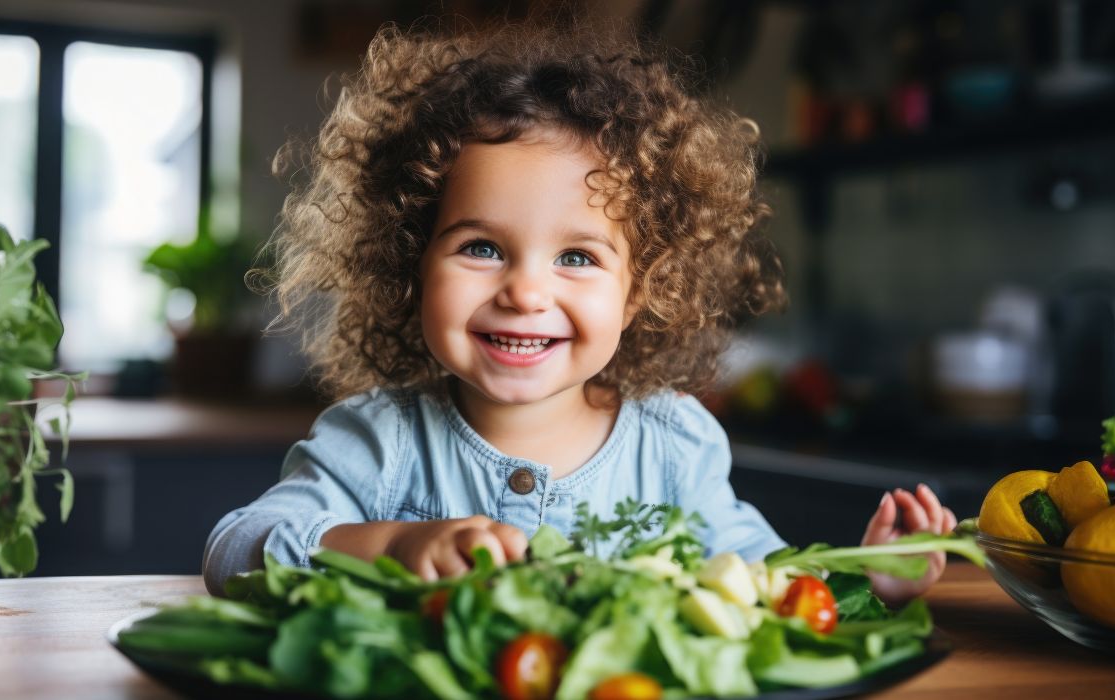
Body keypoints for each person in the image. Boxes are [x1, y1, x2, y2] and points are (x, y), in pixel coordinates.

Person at [203, 17, 956, 605]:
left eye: (576, 258)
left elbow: (762, 585)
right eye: (481, 248)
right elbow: (236, 550)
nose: (526, 293)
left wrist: (869, 581)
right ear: (411, 263)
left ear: (639, 292)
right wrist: (391, 546)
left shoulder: (674, 446)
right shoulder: (379, 440)